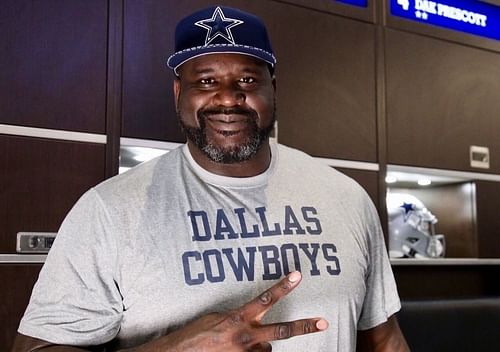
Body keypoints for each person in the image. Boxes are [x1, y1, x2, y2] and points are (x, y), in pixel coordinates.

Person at [12, 5, 409, 352]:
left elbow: (385, 339)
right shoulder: (109, 211)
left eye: (248, 80)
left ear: (274, 90)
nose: (227, 97)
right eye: (205, 81)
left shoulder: (345, 197)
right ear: (177, 93)